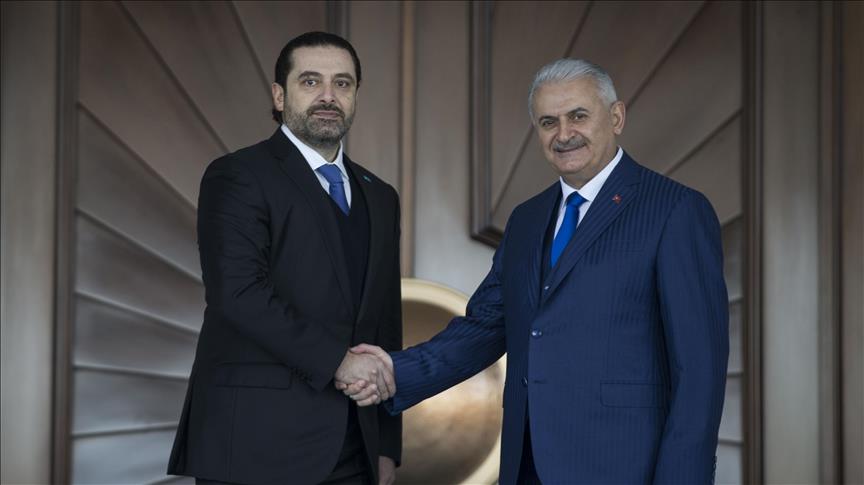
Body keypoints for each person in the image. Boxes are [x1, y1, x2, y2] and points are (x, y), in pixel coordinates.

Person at [340, 58, 729, 484]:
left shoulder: (676, 210)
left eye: (578, 116)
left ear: (616, 117)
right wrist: (394, 372)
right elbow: (485, 327)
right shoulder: (527, 218)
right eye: (548, 122)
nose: (563, 134)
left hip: (624, 467)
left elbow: (699, 372)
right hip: (527, 464)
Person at [168, 31, 402, 485]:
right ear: (279, 95)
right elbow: (238, 294)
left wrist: (387, 444)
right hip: (255, 443)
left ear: (355, 96)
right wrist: (338, 361)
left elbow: (385, 322)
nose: (328, 96)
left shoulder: (380, 196)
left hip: (355, 447)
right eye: (310, 81)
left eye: (342, 83)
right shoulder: (237, 175)